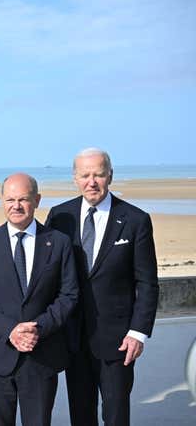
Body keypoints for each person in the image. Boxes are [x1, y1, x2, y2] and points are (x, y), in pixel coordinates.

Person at [45, 148, 159, 426]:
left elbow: (147, 282)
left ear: (110, 176)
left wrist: (138, 333)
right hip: (72, 337)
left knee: (116, 413)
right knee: (81, 414)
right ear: (75, 178)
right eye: (85, 175)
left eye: (98, 174)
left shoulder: (135, 219)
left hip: (119, 340)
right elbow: (47, 275)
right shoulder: (60, 217)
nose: (91, 181)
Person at [0, 173, 78, 426]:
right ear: (1, 201)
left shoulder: (59, 243)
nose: (16, 206)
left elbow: (69, 294)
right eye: (10, 199)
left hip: (42, 355)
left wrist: (37, 328)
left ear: (37, 200)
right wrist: (11, 330)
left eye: (23, 199)